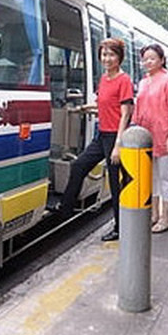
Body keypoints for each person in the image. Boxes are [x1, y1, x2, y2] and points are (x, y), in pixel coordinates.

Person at [57, 39, 134, 242]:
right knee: (79, 166)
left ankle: (120, 228)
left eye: (111, 55)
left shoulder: (123, 80)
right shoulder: (104, 78)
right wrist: (85, 108)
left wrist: (118, 145)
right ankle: (65, 210)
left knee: (116, 184)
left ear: (119, 58)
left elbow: (125, 113)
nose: (107, 59)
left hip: (116, 137)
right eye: (104, 54)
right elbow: (106, 106)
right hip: (102, 135)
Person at [132, 43, 168, 233]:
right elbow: (139, 109)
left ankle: (166, 217)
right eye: (145, 59)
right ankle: (154, 215)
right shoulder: (143, 81)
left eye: (152, 58)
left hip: (164, 134)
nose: (148, 62)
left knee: (165, 178)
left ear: (162, 60)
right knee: (151, 178)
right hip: (146, 135)